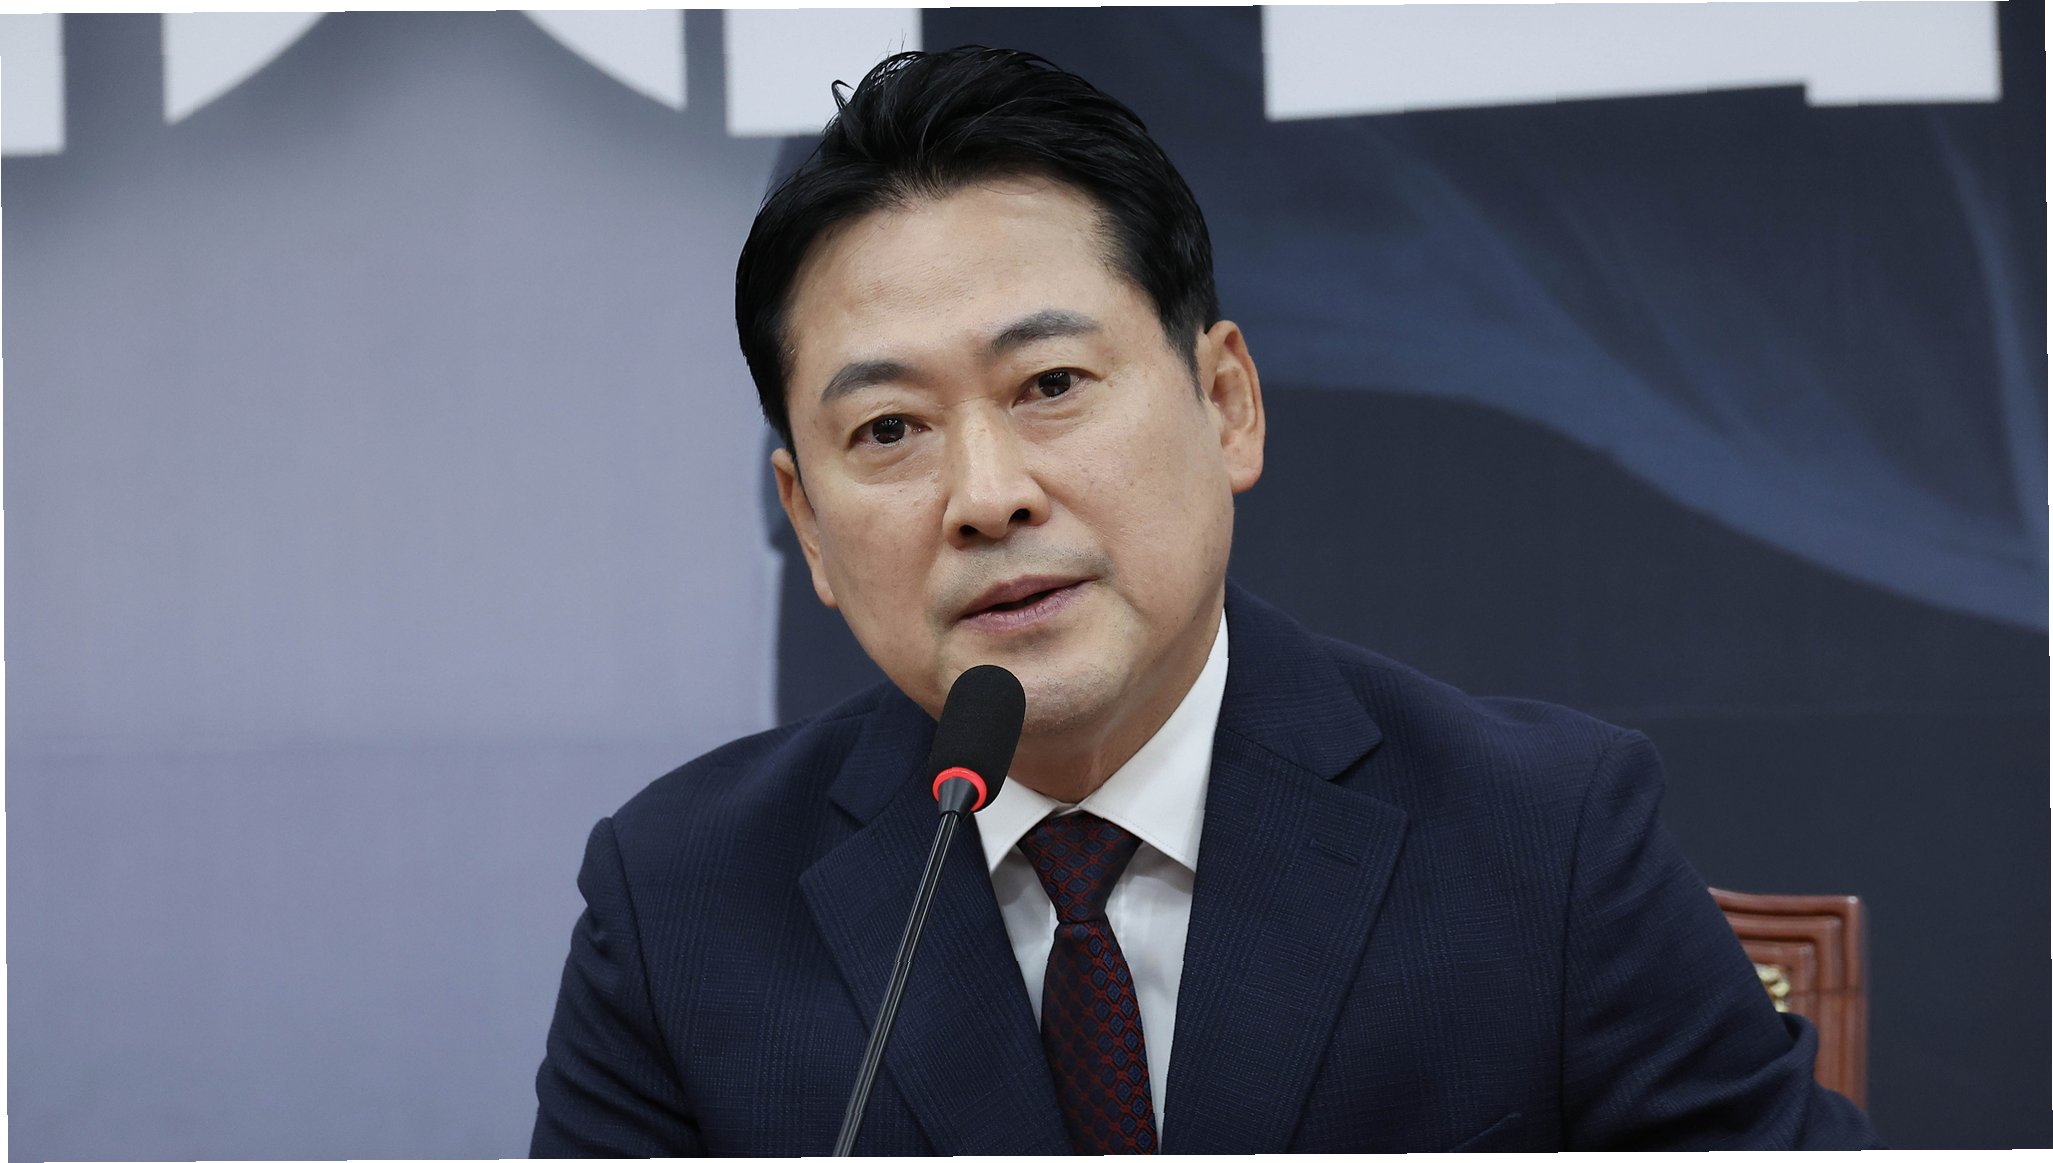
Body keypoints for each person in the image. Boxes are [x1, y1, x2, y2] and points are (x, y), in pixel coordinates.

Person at [531, 46, 1879, 1155]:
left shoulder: (1542, 842)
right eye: (889, 430)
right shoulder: (680, 907)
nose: (986, 496)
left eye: (1051, 385)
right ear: (808, 526)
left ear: (1226, 404)